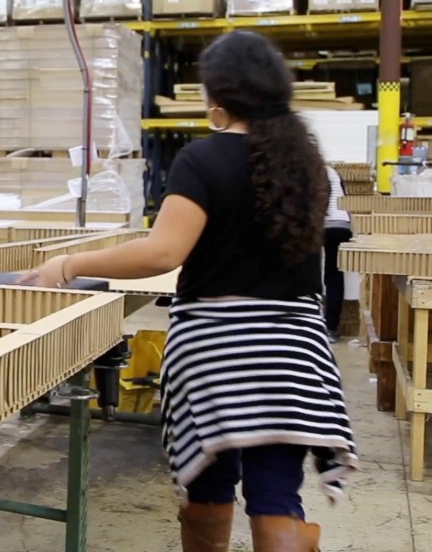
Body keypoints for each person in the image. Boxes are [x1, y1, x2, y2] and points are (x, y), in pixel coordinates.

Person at [23, 31, 357, 552]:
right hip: (295, 353)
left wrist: (68, 264)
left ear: (217, 95)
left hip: (218, 350)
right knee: (276, 493)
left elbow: (163, 252)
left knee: (208, 483)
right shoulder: (307, 164)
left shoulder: (203, 160)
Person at [323, 166, 352, 342]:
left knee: (312, 273)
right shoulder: (333, 172)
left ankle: (320, 324)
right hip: (343, 225)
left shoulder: (313, 170)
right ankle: (332, 328)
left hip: (325, 225)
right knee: (335, 276)